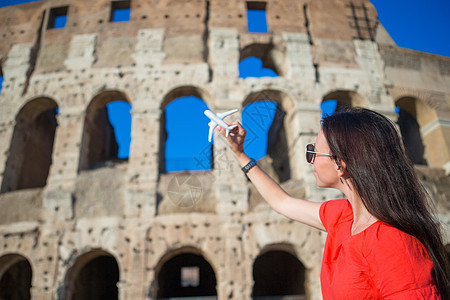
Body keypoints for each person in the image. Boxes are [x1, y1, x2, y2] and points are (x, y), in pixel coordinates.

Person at [219, 107, 449, 299]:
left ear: (340, 165)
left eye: (313, 152)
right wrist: (240, 154)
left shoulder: (393, 244)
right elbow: (282, 202)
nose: (310, 161)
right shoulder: (343, 216)